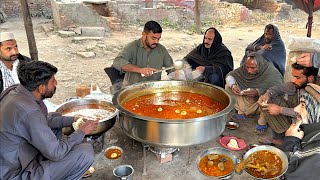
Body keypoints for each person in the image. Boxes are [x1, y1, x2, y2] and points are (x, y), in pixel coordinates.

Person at [0, 61, 99, 180]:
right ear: (41, 88)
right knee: (85, 152)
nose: (56, 83)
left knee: (55, 116)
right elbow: (56, 153)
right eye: (53, 81)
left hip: (14, 158)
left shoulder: (16, 91)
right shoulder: (29, 112)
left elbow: (42, 121)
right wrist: (82, 131)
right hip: (16, 173)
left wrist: (72, 119)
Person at [257, 62, 319, 145]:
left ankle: (291, 141)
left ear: (310, 78)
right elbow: (278, 88)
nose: (293, 80)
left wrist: (280, 110)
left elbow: (305, 114)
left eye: (297, 77)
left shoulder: (315, 93)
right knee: (270, 99)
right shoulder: (300, 84)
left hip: (309, 128)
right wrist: (267, 94)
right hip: (297, 117)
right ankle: (280, 138)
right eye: (293, 76)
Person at [225, 53, 283, 132]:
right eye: (247, 67)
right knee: (228, 86)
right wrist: (233, 85)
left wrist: (258, 91)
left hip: (260, 104)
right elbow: (231, 75)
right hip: (247, 100)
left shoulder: (271, 72)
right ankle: (242, 112)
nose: (249, 70)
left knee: (269, 97)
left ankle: (262, 123)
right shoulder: (245, 68)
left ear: (259, 65)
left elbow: (278, 88)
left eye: (253, 68)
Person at [112, 20, 174, 86]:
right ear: (144, 34)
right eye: (153, 38)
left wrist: (176, 74)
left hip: (154, 89)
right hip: (132, 88)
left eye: (158, 39)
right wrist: (140, 70)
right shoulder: (132, 47)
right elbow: (117, 62)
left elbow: (171, 68)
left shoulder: (161, 50)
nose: (156, 42)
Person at [280, 83, 320, 179]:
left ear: (316, 111)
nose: (296, 109)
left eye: (302, 105)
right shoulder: (314, 134)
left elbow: (287, 174)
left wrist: (290, 140)